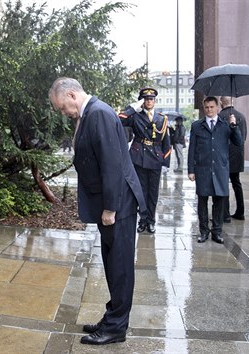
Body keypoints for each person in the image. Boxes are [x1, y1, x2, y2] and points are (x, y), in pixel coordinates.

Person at [48, 77, 145, 346]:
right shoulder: (90, 113)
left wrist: (110, 208)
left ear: (70, 94)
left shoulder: (98, 113)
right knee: (113, 263)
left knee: (120, 266)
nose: (63, 113)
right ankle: (113, 317)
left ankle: (116, 328)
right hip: (111, 203)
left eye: (61, 107)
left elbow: (112, 164)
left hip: (119, 205)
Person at [188, 96, 242, 244]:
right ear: (203, 108)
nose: (209, 110)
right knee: (202, 201)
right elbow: (192, 149)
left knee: (219, 201)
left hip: (220, 169)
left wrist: (234, 126)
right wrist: (191, 170)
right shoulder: (197, 126)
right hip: (203, 169)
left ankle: (217, 232)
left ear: (217, 107)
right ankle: (204, 231)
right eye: (207, 107)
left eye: (212, 107)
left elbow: (238, 142)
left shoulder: (225, 125)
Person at [120, 88, 171, 233]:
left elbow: (166, 142)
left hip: (155, 157)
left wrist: (166, 162)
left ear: (155, 101)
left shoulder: (162, 118)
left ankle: (151, 221)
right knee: (141, 191)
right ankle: (142, 221)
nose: (149, 101)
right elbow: (119, 119)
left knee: (153, 192)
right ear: (142, 101)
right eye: (146, 99)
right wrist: (132, 108)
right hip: (139, 158)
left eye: (151, 99)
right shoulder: (135, 116)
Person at [219, 96, 248, 222]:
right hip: (237, 156)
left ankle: (225, 214)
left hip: (224, 156)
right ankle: (240, 211)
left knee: (223, 184)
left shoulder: (220, 116)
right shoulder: (241, 116)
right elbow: (244, 137)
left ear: (221, 103)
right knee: (237, 183)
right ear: (232, 102)